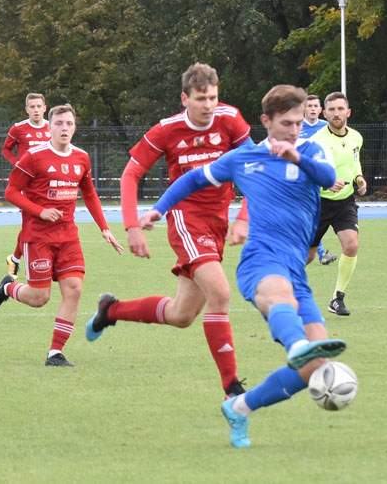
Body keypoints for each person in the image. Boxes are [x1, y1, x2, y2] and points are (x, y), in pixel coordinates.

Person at [139, 84, 347, 448]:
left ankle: (240, 406)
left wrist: (296, 156)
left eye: (299, 122)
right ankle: (295, 344)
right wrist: (159, 208)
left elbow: (328, 180)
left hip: (296, 267)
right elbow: (192, 178)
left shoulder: (314, 149)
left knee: (314, 368)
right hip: (260, 261)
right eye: (286, 124)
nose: (295, 130)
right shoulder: (245, 159)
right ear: (266, 121)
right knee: (284, 308)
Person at [84, 63, 250, 398]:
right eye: (201, 98)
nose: (208, 105)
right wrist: (132, 226)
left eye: (213, 97)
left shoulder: (231, 119)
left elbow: (253, 169)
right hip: (186, 220)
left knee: (182, 315)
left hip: (217, 222)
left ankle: (110, 310)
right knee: (220, 294)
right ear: (184, 98)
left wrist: (244, 216)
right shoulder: (167, 129)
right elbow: (130, 174)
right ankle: (232, 388)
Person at [0, 104, 124, 367]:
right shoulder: (34, 157)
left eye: (69, 124)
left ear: (74, 127)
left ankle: (55, 353)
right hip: (38, 237)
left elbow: (90, 194)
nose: (64, 128)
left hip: (68, 237)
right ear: (49, 127)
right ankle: (7, 287)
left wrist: (105, 228)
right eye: (59, 123)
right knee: (40, 298)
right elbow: (11, 192)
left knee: (74, 290)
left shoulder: (81, 158)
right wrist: (40, 211)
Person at [308, 92, 367, 316]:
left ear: (348, 112)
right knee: (308, 256)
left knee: (351, 245)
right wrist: (326, 182)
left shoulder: (356, 138)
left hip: (345, 202)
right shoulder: (316, 142)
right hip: (318, 203)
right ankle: (282, 288)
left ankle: (337, 298)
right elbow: (307, 173)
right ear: (325, 113)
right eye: (331, 110)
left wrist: (359, 178)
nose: (336, 113)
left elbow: (355, 163)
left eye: (340, 109)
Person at [1, 93, 50, 278]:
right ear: (27, 109)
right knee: (29, 224)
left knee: (41, 223)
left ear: (44, 108)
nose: (36, 110)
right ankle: (25, 261)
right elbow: (6, 149)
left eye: (39, 106)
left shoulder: (51, 127)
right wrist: (18, 165)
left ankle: (15, 259)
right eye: (32, 107)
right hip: (25, 185)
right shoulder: (18, 129)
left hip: (46, 184)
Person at [299, 93, 337, 266]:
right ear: (303, 109)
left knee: (315, 216)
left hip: (322, 176)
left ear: (321, 110)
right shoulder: (297, 127)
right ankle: (318, 253)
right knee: (310, 216)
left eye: (316, 106)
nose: (313, 109)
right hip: (302, 179)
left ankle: (318, 252)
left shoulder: (326, 127)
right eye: (309, 106)